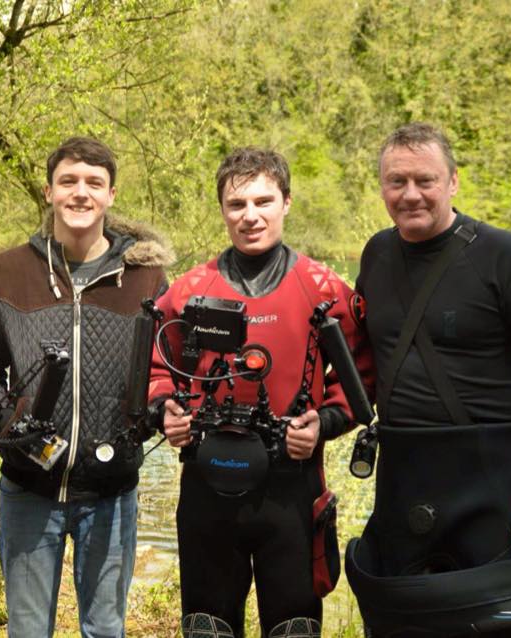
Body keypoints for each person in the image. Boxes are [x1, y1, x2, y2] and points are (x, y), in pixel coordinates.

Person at [346, 123, 511, 637]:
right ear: (381, 186)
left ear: (453, 182)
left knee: (502, 628)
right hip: (404, 478)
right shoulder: (376, 254)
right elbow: (363, 362)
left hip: (494, 483)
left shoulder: (502, 255)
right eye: (397, 181)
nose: (411, 194)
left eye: (426, 180)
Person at [148, 147, 373, 638]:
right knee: (207, 628)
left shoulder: (323, 288)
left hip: (293, 489)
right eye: (236, 204)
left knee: (293, 629)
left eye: (263, 201)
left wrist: (324, 425)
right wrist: (165, 411)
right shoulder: (188, 290)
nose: (250, 216)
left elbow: (359, 377)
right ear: (223, 211)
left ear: (287, 202)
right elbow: (156, 370)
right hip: (207, 489)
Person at [0, 136, 172, 637]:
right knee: (29, 630)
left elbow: (166, 370)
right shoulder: (6, 272)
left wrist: (152, 418)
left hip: (111, 489)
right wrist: (8, 426)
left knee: (105, 629)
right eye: (69, 182)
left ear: (111, 195)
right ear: (49, 191)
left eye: (93, 183)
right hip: (28, 486)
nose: (81, 193)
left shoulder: (147, 279)